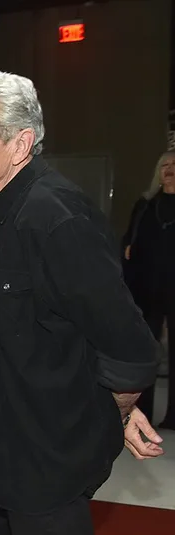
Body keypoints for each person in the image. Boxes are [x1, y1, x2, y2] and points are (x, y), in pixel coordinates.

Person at [0, 68, 163, 535]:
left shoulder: (54, 218)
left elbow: (132, 351)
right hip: (11, 450)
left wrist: (113, 413)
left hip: (49, 462)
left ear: (20, 145)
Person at [121, 150, 175, 429]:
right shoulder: (145, 205)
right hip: (148, 292)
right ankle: (142, 414)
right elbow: (129, 245)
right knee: (147, 354)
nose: (169, 169)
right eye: (164, 165)